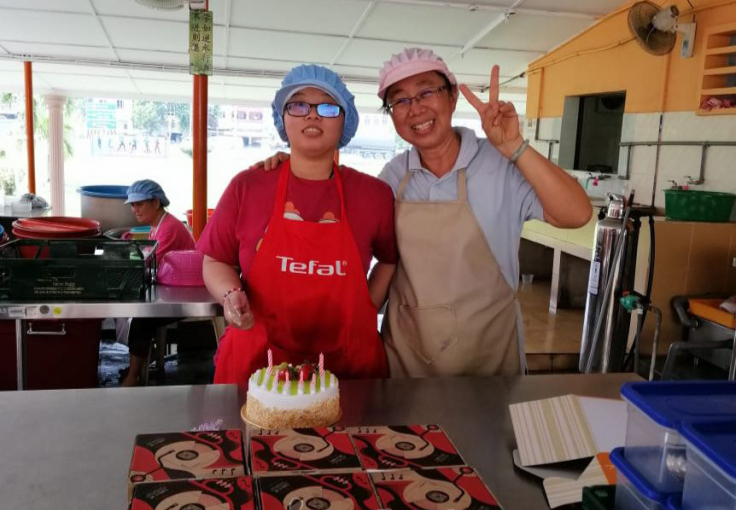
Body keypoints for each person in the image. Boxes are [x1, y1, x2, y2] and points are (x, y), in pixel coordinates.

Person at [258, 48, 592, 378]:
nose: (415, 109)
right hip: (407, 364)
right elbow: (334, 219)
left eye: (426, 92)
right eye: (400, 100)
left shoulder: (501, 166)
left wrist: (514, 147)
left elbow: (576, 214)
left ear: (452, 98)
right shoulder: (391, 178)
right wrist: (298, 165)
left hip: (490, 367)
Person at [197, 64, 397, 384]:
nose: (312, 115)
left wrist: (367, 306)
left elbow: (389, 259)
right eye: (299, 104)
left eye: (328, 107)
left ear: (345, 121)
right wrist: (230, 294)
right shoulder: (248, 186)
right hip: (256, 366)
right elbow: (216, 259)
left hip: (348, 369)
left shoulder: (374, 195)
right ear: (282, 118)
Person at [120, 180, 195, 387]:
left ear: (156, 202)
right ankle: (144, 358)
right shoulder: (158, 226)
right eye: (133, 205)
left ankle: (133, 376)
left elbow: (146, 263)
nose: (135, 210)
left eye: (140, 204)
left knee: (141, 319)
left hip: (185, 295)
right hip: (172, 289)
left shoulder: (169, 228)